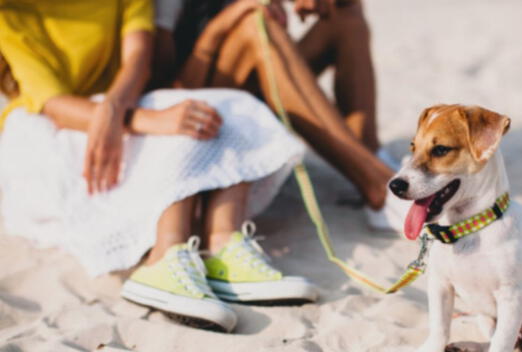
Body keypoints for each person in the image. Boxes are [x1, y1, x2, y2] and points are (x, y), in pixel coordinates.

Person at [0, 0, 316, 333]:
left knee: (221, 108)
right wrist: (144, 119)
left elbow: (138, 59)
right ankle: (164, 259)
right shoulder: (9, 10)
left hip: (120, 104)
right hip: (52, 127)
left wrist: (117, 107)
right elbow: (53, 103)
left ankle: (224, 245)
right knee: (175, 126)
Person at [153, 0, 410, 231]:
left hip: (258, 82)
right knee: (254, 23)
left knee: (345, 13)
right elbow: (170, 92)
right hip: (196, 104)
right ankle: (377, 186)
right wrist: (223, 23)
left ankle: (370, 157)